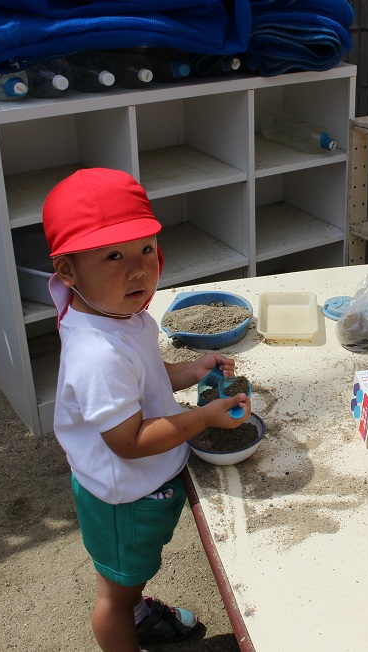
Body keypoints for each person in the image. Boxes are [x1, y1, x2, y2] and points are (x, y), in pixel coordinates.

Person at [42, 168, 251, 652]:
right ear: (68, 271)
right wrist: (203, 418)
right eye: (113, 256)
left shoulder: (119, 311)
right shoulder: (97, 354)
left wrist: (193, 370)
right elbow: (130, 440)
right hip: (124, 496)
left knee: (132, 575)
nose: (138, 270)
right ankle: (127, 619)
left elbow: (147, 378)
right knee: (113, 594)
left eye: (145, 249)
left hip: (143, 482)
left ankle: (137, 610)